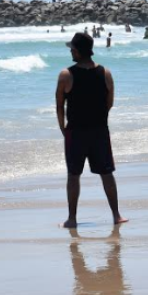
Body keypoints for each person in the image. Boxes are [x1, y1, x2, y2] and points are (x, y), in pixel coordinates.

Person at [57, 32, 127, 229]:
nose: (70, 50)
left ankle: (72, 219)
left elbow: (59, 105)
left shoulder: (66, 75)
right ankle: (116, 215)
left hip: (76, 132)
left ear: (78, 51)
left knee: (73, 175)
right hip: (99, 131)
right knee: (107, 173)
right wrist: (98, 117)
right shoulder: (105, 72)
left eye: (72, 48)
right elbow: (110, 101)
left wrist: (64, 129)